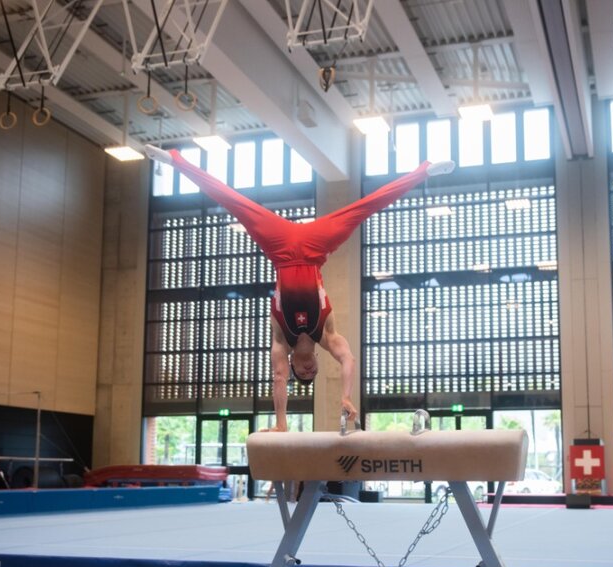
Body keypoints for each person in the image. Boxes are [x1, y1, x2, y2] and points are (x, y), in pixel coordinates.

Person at [146, 145, 454, 432]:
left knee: (233, 201)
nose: (307, 370)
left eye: (302, 373)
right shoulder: (327, 335)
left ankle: (176, 161)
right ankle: (423, 171)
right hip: (315, 249)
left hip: (279, 249)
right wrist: (346, 397)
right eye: (312, 373)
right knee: (364, 208)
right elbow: (348, 359)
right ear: (318, 362)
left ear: (293, 364)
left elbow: (279, 378)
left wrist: (281, 424)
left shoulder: (281, 341)